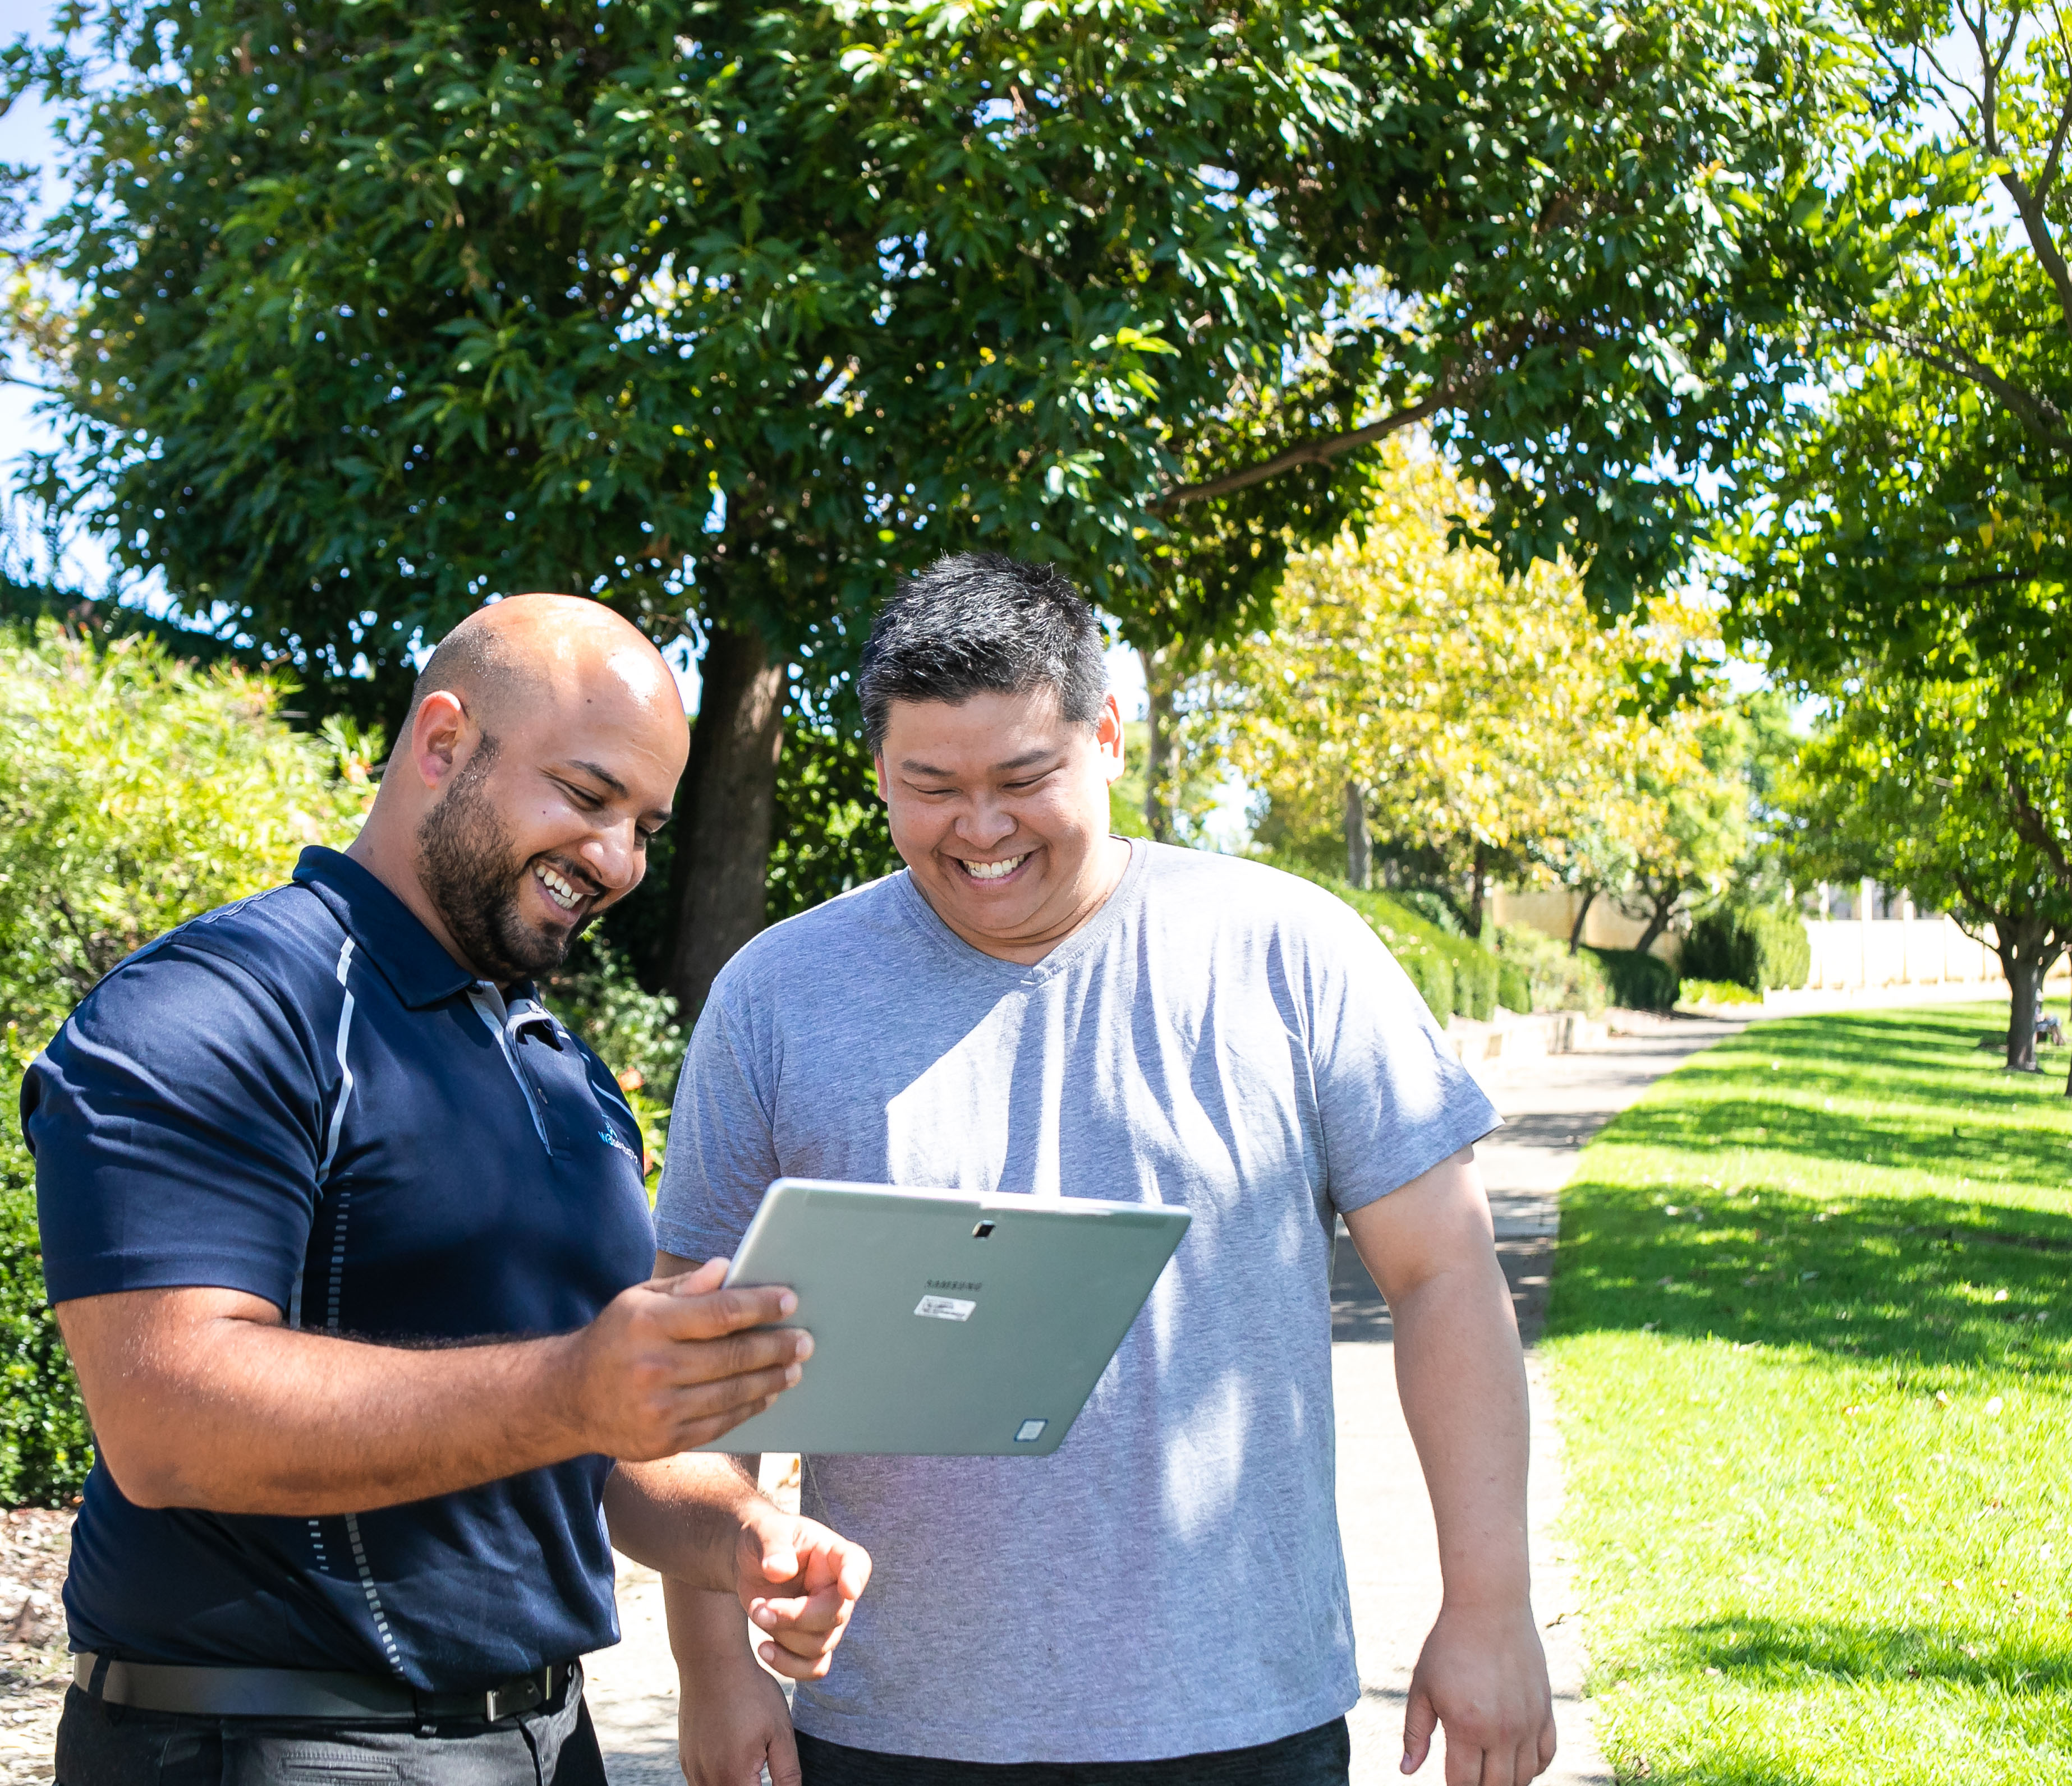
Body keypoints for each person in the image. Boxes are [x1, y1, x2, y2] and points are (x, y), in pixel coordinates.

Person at [653, 556, 1556, 1786]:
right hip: (889, 1727)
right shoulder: (777, 997)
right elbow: (691, 1364)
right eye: (932, 786)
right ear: (879, 775)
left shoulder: (1293, 952)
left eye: (1026, 778)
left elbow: (1446, 1272)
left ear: (1110, 733)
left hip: (1239, 1716)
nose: (981, 826)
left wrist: (1490, 1601)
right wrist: (717, 1665)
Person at [24, 594, 871, 1785]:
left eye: (645, 825)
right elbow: (163, 1416)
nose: (619, 860)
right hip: (263, 1741)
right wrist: (578, 1387)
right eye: (586, 797)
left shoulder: (569, 1076)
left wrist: (747, 1538)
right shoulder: (216, 1004)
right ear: (441, 743)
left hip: (543, 1741)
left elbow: (598, 1442)